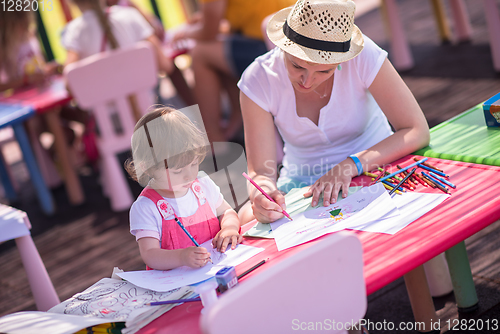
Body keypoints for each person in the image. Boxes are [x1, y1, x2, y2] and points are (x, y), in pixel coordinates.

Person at [238, 0, 430, 224]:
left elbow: (416, 130)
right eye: (297, 66)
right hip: (303, 183)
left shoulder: (363, 55)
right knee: (248, 218)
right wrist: (263, 193)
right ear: (283, 47)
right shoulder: (258, 78)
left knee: (420, 222)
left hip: (376, 165)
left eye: (323, 70)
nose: (308, 81)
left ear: (342, 59)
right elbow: (261, 171)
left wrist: (351, 165)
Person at [125, 106, 242, 270]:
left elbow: (226, 212)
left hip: (219, 268)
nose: (189, 175)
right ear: (147, 167)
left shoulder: (202, 184)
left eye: (194, 163)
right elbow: (150, 254)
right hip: (179, 283)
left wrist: (229, 228)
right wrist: (181, 257)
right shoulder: (146, 207)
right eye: (178, 171)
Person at [171, 0, 296, 143]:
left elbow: (208, 32)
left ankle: (214, 139)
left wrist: (184, 33)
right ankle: (237, 117)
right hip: (292, 32)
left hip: (273, 45)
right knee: (220, 49)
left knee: (200, 53)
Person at [61, 0, 194, 106]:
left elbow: (69, 84)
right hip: (148, 111)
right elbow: (166, 65)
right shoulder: (130, 15)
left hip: (110, 126)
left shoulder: (74, 32)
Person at [0, 10, 61, 93]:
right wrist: (25, 80)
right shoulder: (4, 46)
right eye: (21, 18)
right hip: (21, 101)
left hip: (42, 92)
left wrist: (48, 69)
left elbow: (35, 68)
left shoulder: (30, 36)